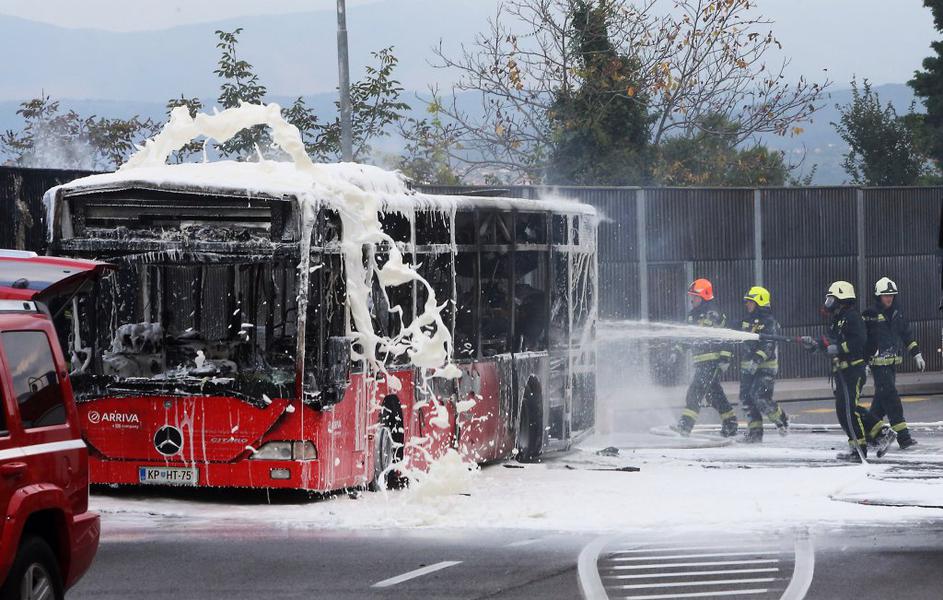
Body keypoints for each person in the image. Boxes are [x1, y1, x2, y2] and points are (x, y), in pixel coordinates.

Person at [801, 281, 895, 462]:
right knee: (845, 408)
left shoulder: (852, 317)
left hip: (853, 370)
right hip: (843, 371)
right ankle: (882, 432)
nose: (828, 302)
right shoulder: (838, 318)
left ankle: (859, 450)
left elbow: (857, 341)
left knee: (848, 410)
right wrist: (814, 344)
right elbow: (830, 340)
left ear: (842, 298)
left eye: (832, 299)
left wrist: (837, 348)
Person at [862, 277, 925, 450]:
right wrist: (864, 362)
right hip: (877, 365)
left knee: (880, 403)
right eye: (885, 295)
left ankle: (867, 434)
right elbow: (863, 339)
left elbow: (906, 335)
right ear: (878, 296)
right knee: (891, 399)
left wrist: (916, 354)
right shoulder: (870, 314)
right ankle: (904, 438)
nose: (889, 298)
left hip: (891, 365)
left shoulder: (898, 312)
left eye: (891, 295)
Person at [671, 278, 738, 437]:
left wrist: (724, 359)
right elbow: (687, 338)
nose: (692, 300)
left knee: (694, 392)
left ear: (704, 296)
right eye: (691, 296)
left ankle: (685, 426)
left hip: (712, 362)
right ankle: (731, 423)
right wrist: (677, 350)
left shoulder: (714, 314)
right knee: (714, 395)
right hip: (700, 363)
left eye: (695, 296)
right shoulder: (691, 317)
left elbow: (726, 337)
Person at [738, 286, 788, 443]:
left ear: (759, 302)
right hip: (748, 369)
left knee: (760, 397)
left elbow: (768, 344)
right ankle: (755, 433)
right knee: (746, 398)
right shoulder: (747, 321)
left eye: (750, 302)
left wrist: (756, 360)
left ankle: (782, 419)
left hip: (765, 368)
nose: (747, 304)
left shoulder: (769, 323)